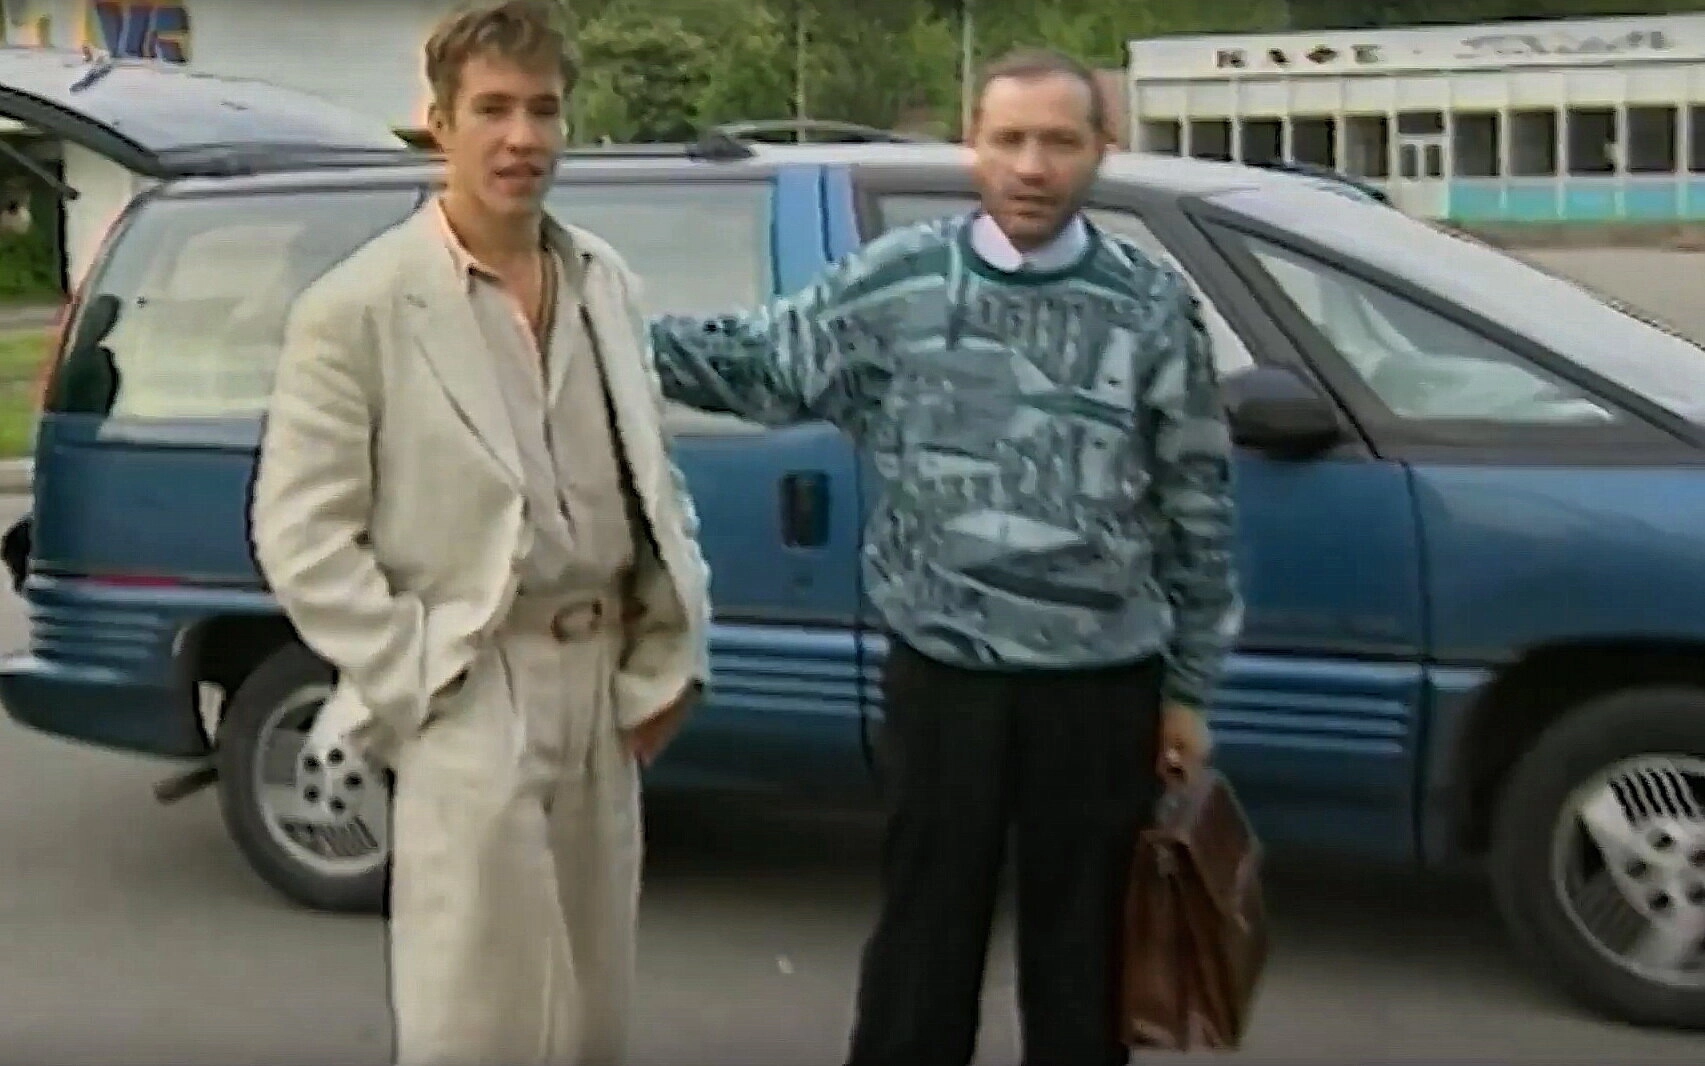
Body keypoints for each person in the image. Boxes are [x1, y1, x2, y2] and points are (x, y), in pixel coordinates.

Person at [647, 47, 1240, 1066]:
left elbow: (1196, 499)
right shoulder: (899, 279)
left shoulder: (1150, 304)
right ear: (973, 148)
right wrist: (584, 320)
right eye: (1008, 139)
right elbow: (758, 360)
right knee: (926, 941)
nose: (1031, 165)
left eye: (1059, 140)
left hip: (1100, 684)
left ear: (1102, 149)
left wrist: (1186, 688)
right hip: (943, 673)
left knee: (1084, 956)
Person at [248, 2, 711, 1063]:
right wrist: (418, 679)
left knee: (590, 1018)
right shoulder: (357, 305)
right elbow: (300, 531)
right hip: (468, 679)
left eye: (543, 110)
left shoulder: (604, 282)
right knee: (475, 1022)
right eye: (493, 109)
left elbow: (655, 482)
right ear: (439, 125)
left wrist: (671, 657)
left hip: (603, 682)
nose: (522, 137)